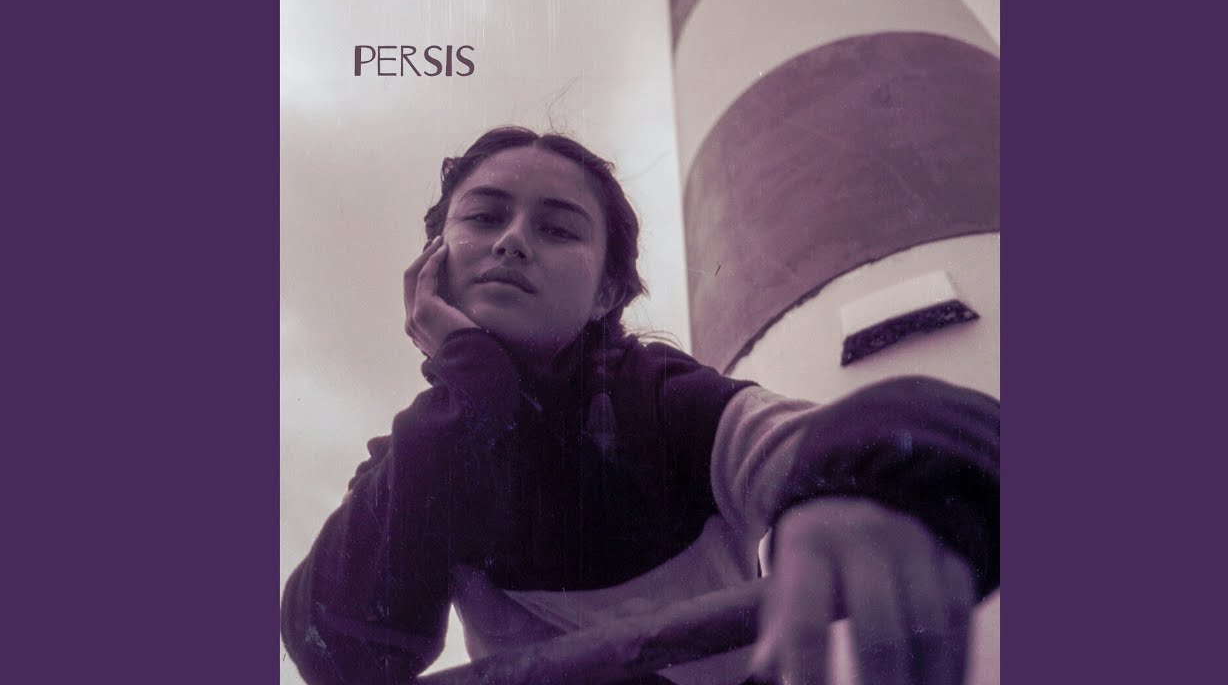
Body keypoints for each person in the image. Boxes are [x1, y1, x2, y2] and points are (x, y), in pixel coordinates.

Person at [281, 127, 1000, 685]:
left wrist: (864, 484)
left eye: (559, 228)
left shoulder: (660, 400)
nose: (512, 242)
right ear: (433, 264)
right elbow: (339, 654)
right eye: (484, 216)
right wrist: (470, 389)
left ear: (607, 292)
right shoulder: (423, 447)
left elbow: (849, 436)